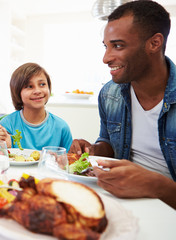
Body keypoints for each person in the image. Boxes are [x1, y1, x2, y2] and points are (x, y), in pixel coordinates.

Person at [69, 1, 176, 209]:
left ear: (154, 43)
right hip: (121, 198)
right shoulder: (110, 94)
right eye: (106, 46)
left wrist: (155, 185)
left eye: (118, 45)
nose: (106, 58)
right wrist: (94, 149)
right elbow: (108, 141)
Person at [0, 62, 73, 151]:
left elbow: (69, 161)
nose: (37, 91)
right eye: (29, 86)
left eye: (42, 84)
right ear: (18, 92)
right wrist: (4, 147)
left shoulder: (61, 127)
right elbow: (0, 160)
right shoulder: (8, 124)